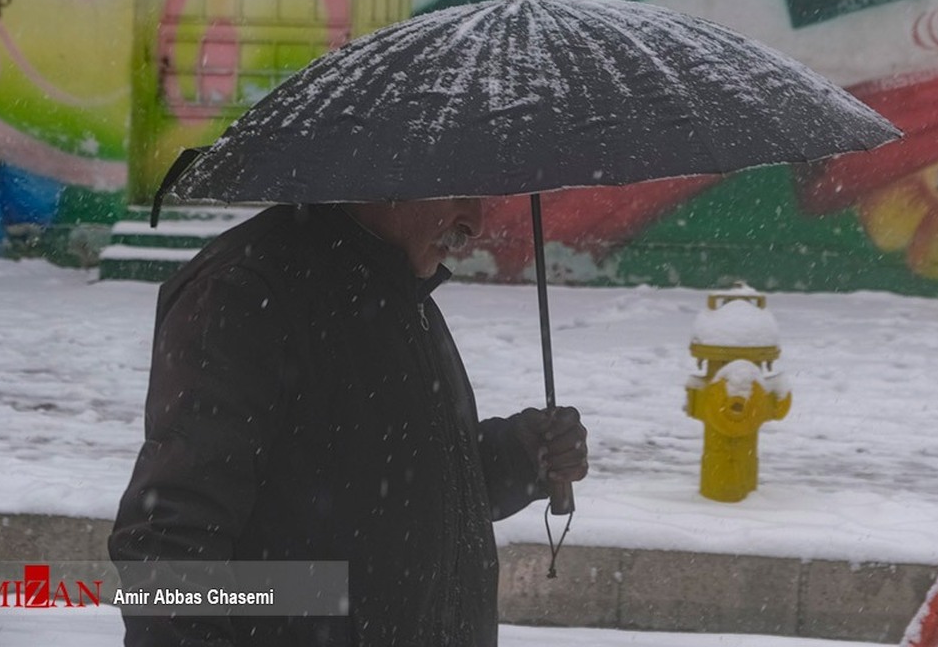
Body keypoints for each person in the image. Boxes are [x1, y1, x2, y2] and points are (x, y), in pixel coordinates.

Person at [108, 199, 588, 646]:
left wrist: (519, 455)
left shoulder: (398, 289)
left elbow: (400, 482)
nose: (475, 221)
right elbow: (168, 539)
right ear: (390, 168)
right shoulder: (248, 290)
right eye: (457, 189)